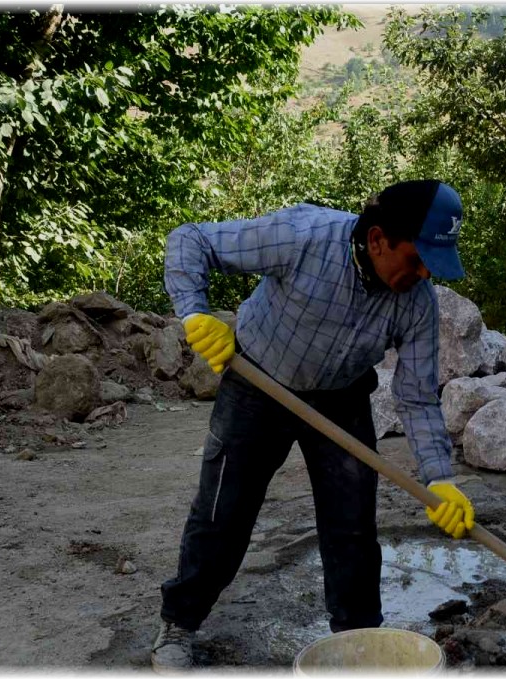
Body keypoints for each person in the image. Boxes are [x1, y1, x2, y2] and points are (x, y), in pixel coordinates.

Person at [151, 180, 476, 672]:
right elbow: (190, 239)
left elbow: (415, 396)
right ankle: (178, 623)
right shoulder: (303, 234)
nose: (425, 272)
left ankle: (360, 642)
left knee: (352, 531)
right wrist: (195, 313)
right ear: (377, 239)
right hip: (257, 382)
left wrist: (440, 478)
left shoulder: (417, 302)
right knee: (223, 515)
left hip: (341, 401)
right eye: (416, 258)